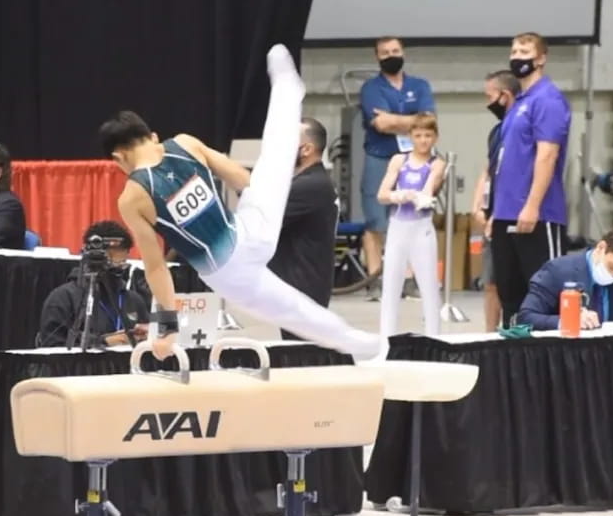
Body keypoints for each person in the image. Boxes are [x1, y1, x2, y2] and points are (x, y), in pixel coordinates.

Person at [100, 44, 382, 360]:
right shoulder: (185, 144)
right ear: (152, 136)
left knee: (294, 311)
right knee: (272, 160)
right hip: (249, 231)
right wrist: (262, 197)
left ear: (118, 157)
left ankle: (359, 345)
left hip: (227, 272)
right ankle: (286, 93)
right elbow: (242, 179)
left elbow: (156, 267)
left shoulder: (132, 196)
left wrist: (167, 328)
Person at [491, 31, 571, 327]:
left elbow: (547, 155)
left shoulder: (548, 100)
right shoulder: (518, 103)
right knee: (510, 296)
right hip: (505, 214)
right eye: (513, 50)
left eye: (524, 51)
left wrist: (533, 205)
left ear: (541, 58)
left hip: (537, 216)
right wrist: (495, 212)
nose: (517, 56)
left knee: (544, 294)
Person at [359, 36, 435, 296]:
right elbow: (381, 125)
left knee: (412, 217)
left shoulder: (420, 85)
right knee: (375, 221)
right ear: (377, 57)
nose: (390, 55)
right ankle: (375, 280)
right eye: (385, 52)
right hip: (379, 158)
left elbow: (429, 121)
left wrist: (395, 119)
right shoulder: (371, 88)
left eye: (395, 50)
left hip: (413, 159)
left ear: (403, 52)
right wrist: (413, 120)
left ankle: (410, 280)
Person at [267, 116, 339, 339]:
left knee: (300, 357)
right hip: (294, 285)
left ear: (306, 149)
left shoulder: (311, 185)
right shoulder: (307, 182)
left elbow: (261, 217)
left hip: (302, 289)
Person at [376, 112, 446, 337]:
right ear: (411, 137)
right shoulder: (399, 160)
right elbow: (382, 194)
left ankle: (434, 336)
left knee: (429, 287)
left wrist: (418, 197)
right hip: (398, 227)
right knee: (391, 287)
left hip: (421, 228)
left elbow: (428, 191)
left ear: (435, 137)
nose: (423, 140)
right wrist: (399, 195)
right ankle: (386, 338)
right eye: (418, 135)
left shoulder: (437, 163)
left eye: (428, 135)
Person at [38, 220, 150, 347]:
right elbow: (52, 344)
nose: (119, 266)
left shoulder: (133, 300)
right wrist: (103, 342)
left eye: (122, 260)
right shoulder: (63, 298)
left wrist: (145, 337)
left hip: (125, 364)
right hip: (80, 366)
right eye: (112, 259)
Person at [517, 227, 613, 331]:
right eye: (611, 267)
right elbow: (526, 317)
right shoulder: (557, 271)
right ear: (600, 248)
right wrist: (568, 321)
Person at [471, 70, 520, 332]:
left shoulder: (520, 129)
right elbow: (489, 169)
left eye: (489, 96)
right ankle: (489, 334)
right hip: (492, 215)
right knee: (490, 281)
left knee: (509, 282)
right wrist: (479, 203)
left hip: (509, 216)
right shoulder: (496, 132)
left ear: (505, 95)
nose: (486, 102)